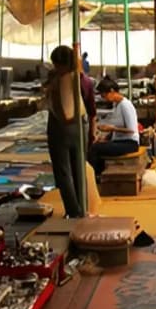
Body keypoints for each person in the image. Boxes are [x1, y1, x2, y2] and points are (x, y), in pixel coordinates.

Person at [44, 45, 88, 218]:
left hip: (63, 126)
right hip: (80, 123)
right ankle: (82, 207)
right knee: (78, 168)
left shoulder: (61, 80)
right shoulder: (79, 77)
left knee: (63, 171)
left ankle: (74, 210)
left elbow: (61, 111)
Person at [89, 79, 141, 177]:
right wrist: (107, 136)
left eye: (104, 95)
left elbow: (131, 130)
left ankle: (95, 177)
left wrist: (112, 128)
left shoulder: (125, 105)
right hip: (120, 141)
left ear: (112, 91)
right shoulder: (117, 105)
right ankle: (100, 175)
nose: (104, 99)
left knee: (95, 149)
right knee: (96, 145)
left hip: (130, 143)